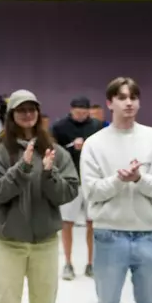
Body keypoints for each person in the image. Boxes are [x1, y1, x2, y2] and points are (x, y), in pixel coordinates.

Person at [80, 77, 152, 303]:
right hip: (108, 235)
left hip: (149, 236)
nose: (129, 103)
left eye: (133, 97)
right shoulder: (94, 144)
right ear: (109, 103)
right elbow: (92, 191)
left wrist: (139, 179)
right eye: (122, 98)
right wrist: (119, 180)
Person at [0, 89, 78, 303]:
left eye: (32, 109)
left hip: (45, 244)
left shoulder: (55, 152)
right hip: (9, 244)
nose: (27, 114)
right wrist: (22, 168)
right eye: (21, 110)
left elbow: (68, 193)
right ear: (11, 115)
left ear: (38, 113)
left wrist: (49, 174)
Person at [51, 96, 102, 280]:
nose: (81, 115)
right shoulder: (59, 126)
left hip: (92, 180)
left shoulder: (97, 126)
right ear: (71, 110)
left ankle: (91, 263)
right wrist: (72, 146)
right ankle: (68, 263)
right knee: (67, 223)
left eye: (84, 112)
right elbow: (53, 150)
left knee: (92, 223)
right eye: (77, 112)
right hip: (69, 180)